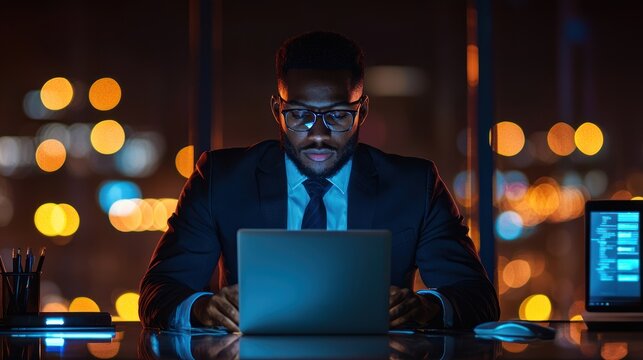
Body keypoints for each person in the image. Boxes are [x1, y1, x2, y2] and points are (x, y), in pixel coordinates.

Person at [139, 31, 499, 331]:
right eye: (300, 115)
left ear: (364, 112)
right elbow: (159, 291)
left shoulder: (415, 185)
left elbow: (477, 297)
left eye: (339, 115)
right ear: (277, 110)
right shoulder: (221, 179)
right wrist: (204, 309)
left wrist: (426, 308)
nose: (318, 134)